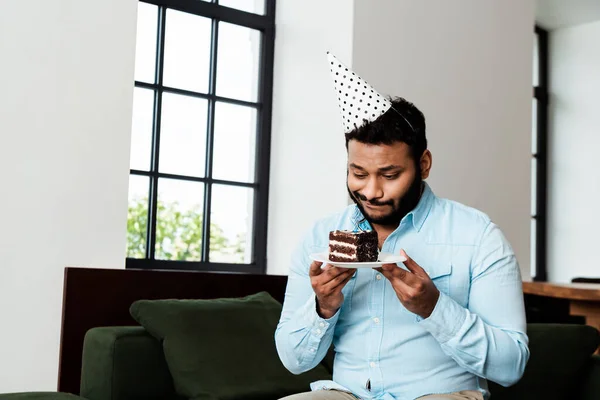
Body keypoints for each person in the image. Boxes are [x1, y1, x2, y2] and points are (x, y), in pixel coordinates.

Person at [274, 53, 529, 400]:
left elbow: (511, 366)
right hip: (346, 394)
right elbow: (293, 361)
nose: (371, 191)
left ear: (423, 165)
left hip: (443, 395)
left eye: (390, 175)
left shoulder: (478, 236)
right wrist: (323, 306)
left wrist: (434, 307)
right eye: (358, 173)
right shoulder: (320, 237)